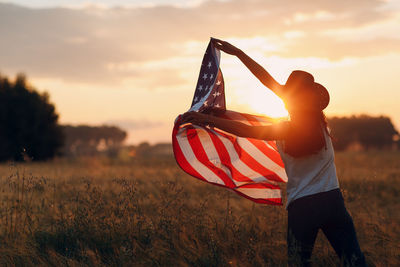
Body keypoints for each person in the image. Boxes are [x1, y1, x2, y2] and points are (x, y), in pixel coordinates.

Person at [182, 38, 367, 267]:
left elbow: (246, 128)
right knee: (355, 261)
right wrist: (239, 54)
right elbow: (269, 85)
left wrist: (207, 118)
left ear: (291, 100)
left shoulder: (286, 129)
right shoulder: (322, 127)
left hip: (303, 207)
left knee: (298, 263)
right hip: (333, 201)